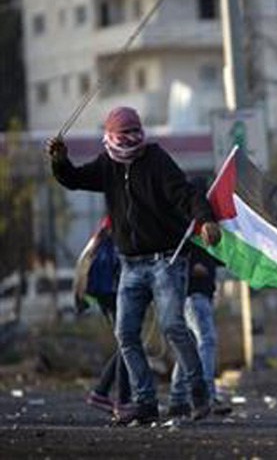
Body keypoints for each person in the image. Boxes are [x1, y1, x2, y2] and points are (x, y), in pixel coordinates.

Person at [46, 106, 221, 425]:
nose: (130, 139)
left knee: (172, 328)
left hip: (165, 262)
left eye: (135, 131)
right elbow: (73, 179)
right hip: (130, 266)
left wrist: (206, 219)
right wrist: (59, 160)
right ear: (109, 137)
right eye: (122, 133)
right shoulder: (107, 165)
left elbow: (186, 194)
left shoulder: (155, 160)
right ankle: (145, 402)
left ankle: (198, 393)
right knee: (125, 334)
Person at [168, 178, 229, 417]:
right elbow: (186, 254)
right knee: (206, 340)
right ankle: (207, 395)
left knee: (191, 346)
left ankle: (177, 397)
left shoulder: (197, 224)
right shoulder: (190, 225)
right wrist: (196, 265)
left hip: (196, 293)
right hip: (193, 294)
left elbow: (219, 259)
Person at [74, 216, 132, 419]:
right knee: (128, 342)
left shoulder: (107, 222)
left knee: (126, 343)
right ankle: (120, 399)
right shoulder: (124, 218)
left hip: (103, 290)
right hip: (114, 289)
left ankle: (103, 392)